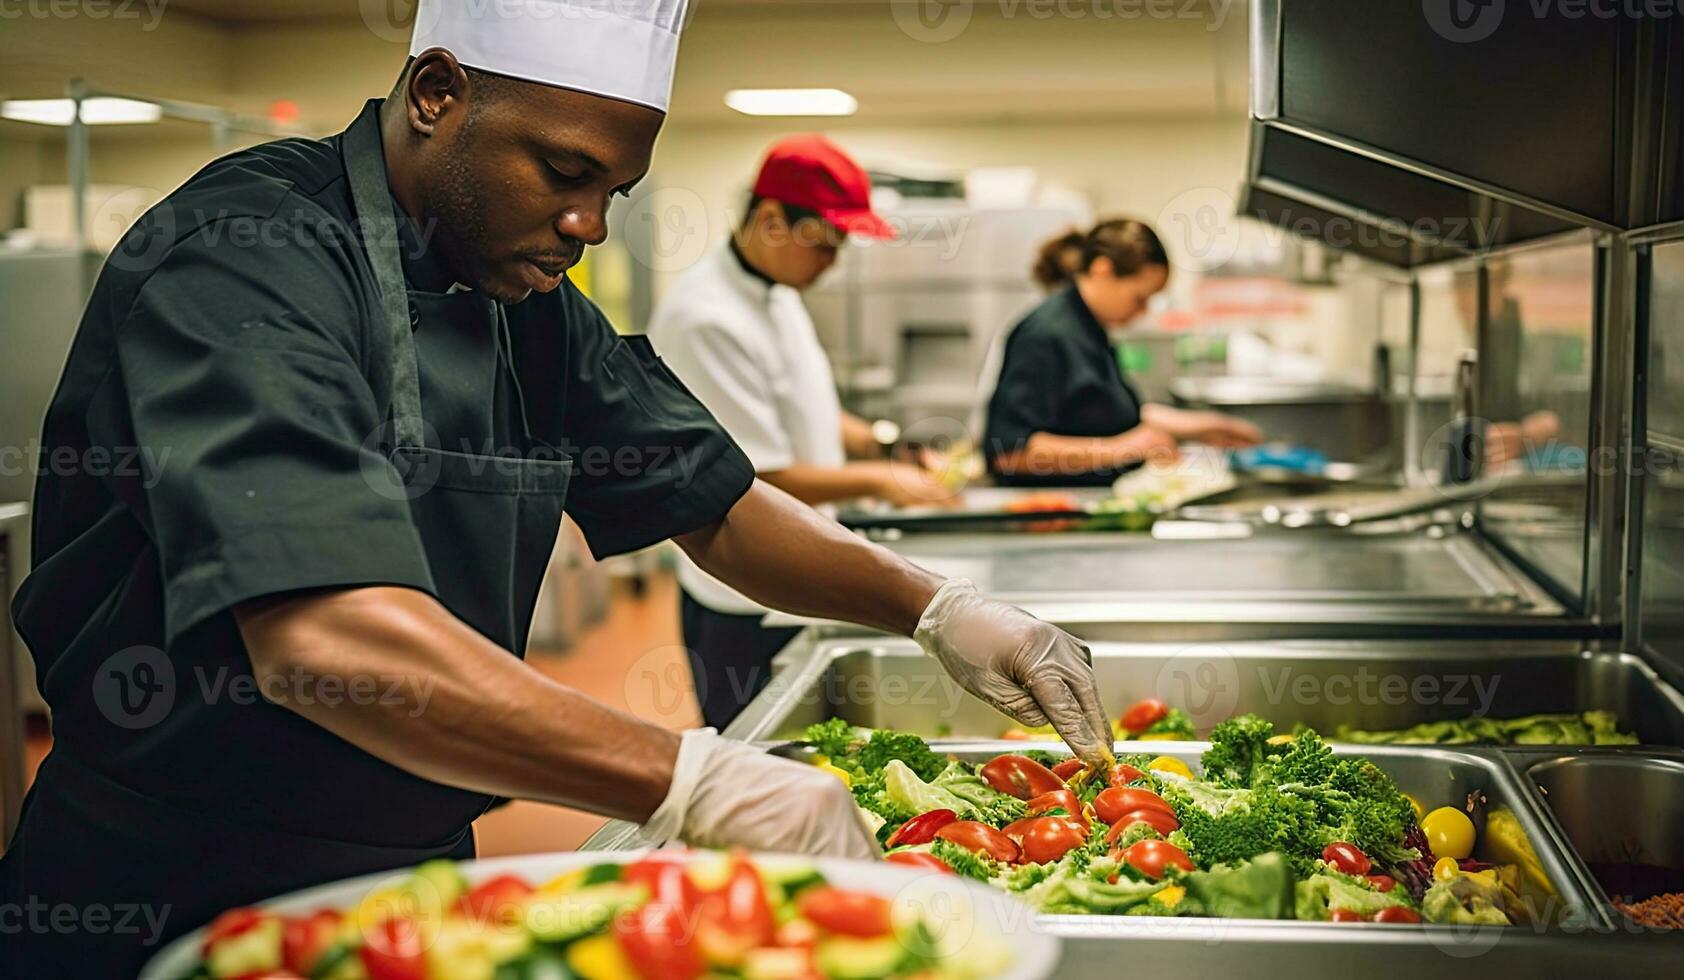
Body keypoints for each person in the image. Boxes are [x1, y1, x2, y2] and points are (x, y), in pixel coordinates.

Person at [0, 3, 1110, 973]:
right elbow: (322, 635)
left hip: (415, 873)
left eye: (617, 190)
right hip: (174, 873)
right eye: (566, 174)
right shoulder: (246, 253)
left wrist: (936, 605)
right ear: (437, 91)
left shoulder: (519, 293)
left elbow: (710, 497)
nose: (590, 227)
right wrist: (690, 776)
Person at [648, 135, 955, 728]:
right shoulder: (706, 317)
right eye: (824, 243)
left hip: (794, 566)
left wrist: (886, 444)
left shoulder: (778, 294)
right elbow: (753, 476)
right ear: (769, 220)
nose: (833, 262)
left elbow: (798, 404)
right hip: (742, 594)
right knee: (758, 768)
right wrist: (881, 480)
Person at [983, 218, 1263, 486]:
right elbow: (1009, 454)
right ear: (1102, 271)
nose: (1141, 313)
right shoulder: (1046, 336)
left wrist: (1202, 426)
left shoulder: (1089, 329)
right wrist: (1125, 447)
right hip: (1051, 515)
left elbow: (1109, 413)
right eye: (1139, 299)